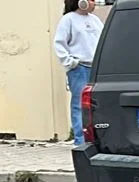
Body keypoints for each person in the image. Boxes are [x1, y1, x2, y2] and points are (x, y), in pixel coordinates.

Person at [54, 0, 102, 148]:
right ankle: (80, 140)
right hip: (79, 68)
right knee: (79, 105)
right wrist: (70, 63)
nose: (94, 3)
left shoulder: (95, 20)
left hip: (96, 68)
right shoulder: (68, 19)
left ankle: (95, 139)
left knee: (96, 104)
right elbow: (59, 43)